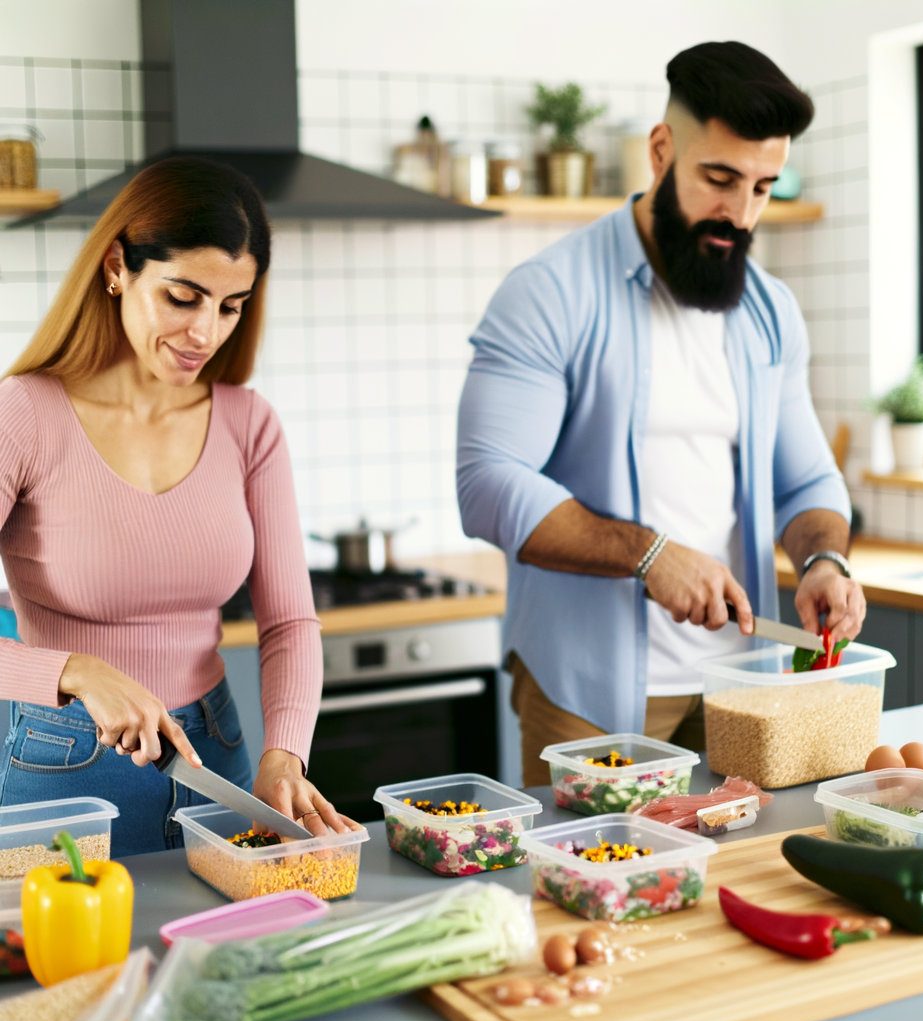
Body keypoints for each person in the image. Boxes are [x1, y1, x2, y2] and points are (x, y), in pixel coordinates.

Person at [457, 42, 868, 785]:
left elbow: (806, 476)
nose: (740, 213)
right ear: (661, 149)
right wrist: (650, 555)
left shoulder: (771, 311)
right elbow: (487, 482)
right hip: (586, 694)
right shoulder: (550, 293)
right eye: (719, 179)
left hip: (743, 689)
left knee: (737, 883)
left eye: (763, 187)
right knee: (593, 894)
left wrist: (823, 560)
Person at [0, 156, 358, 854]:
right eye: (183, 296)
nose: (206, 332)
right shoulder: (24, 416)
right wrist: (72, 671)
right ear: (116, 267)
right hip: (62, 762)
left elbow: (289, 620)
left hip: (213, 756)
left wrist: (285, 750)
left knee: (221, 956)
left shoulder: (248, 424)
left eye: (231, 306)